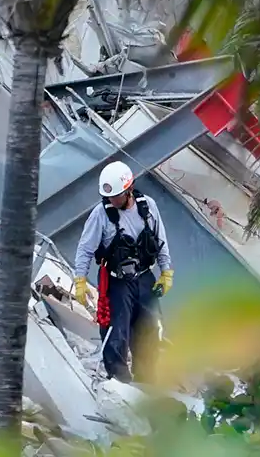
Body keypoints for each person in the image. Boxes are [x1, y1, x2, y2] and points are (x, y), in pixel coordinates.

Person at [72, 160, 173, 384]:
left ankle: (146, 380)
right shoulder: (101, 214)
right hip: (116, 282)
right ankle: (119, 382)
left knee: (149, 330)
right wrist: (80, 279)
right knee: (116, 332)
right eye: (108, 197)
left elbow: (160, 241)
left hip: (144, 277)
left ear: (129, 190)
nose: (112, 200)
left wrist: (166, 272)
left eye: (116, 196)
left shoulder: (148, 207)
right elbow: (85, 249)